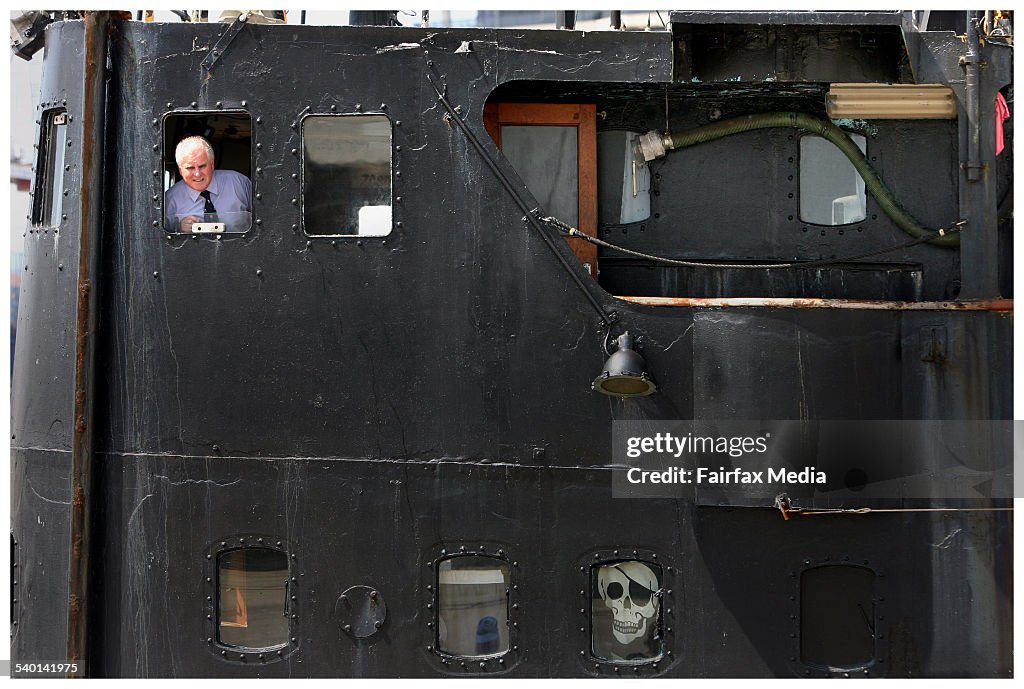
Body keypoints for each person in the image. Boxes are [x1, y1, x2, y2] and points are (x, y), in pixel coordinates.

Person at [164, 136, 252, 232]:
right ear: (180, 170)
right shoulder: (169, 200)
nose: (197, 174)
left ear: (212, 164)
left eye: (202, 166)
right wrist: (179, 228)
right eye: (190, 168)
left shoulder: (238, 183)